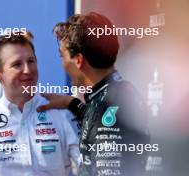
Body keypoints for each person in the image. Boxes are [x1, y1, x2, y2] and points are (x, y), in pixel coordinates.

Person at [37, 12, 150, 176]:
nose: (62, 64)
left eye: (62, 56)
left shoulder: (104, 107)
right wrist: (72, 103)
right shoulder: (118, 93)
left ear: (78, 60)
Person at [0, 32, 80, 176]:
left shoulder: (62, 112)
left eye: (31, 61)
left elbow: (89, 168)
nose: (27, 70)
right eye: (17, 64)